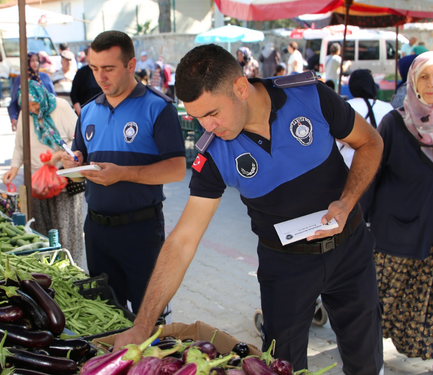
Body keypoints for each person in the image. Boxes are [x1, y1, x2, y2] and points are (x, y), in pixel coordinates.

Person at [114, 44, 384, 375]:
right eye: (197, 118)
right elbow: (182, 241)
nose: (206, 127)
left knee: (367, 359)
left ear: (241, 87)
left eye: (212, 113)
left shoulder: (310, 96)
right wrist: (142, 326)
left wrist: (347, 201)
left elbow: (370, 142)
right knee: (280, 365)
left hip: (350, 248)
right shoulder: (213, 153)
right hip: (286, 266)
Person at [61, 30, 186, 314]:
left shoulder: (158, 107)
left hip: (140, 231)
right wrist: (72, 163)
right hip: (95, 231)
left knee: (148, 316)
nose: (100, 77)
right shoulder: (89, 111)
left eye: (108, 69)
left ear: (130, 66)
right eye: (94, 68)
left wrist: (123, 173)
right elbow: (80, 158)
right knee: (104, 316)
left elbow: (177, 169)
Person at [360, 51, 433, 375]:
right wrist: (358, 224)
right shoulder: (394, 123)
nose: (431, 84)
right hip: (397, 236)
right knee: (381, 307)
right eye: (424, 77)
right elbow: (370, 175)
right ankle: (364, 358)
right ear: (413, 82)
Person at [3, 81, 85, 264]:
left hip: (64, 182)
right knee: (41, 230)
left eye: (35, 104)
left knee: (66, 231)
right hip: (37, 183)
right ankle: (48, 269)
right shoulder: (26, 114)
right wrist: (14, 168)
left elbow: (80, 140)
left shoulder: (61, 108)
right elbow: (20, 146)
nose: (33, 109)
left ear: (42, 97)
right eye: (28, 105)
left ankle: (70, 268)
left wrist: (57, 155)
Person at [338, 69, 393, 167]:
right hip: (381, 168)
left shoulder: (343, 108)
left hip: (348, 167)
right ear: (372, 85)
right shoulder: (388, 108)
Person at [8, 52, 56, 132]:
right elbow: (14, 101)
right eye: (32, 61)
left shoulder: (44, 77)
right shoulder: (20, 79)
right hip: (27, 118)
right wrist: (13, 118)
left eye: (37, 60)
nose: (35, 63)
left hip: (46, 118)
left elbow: (53, 96)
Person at [69, 47, 101, 116]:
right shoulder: (81, 73)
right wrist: (81, 114)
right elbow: (74, 95)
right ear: (86, 56)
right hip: (86, 113)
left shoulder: (103, 71)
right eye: (91, 54)